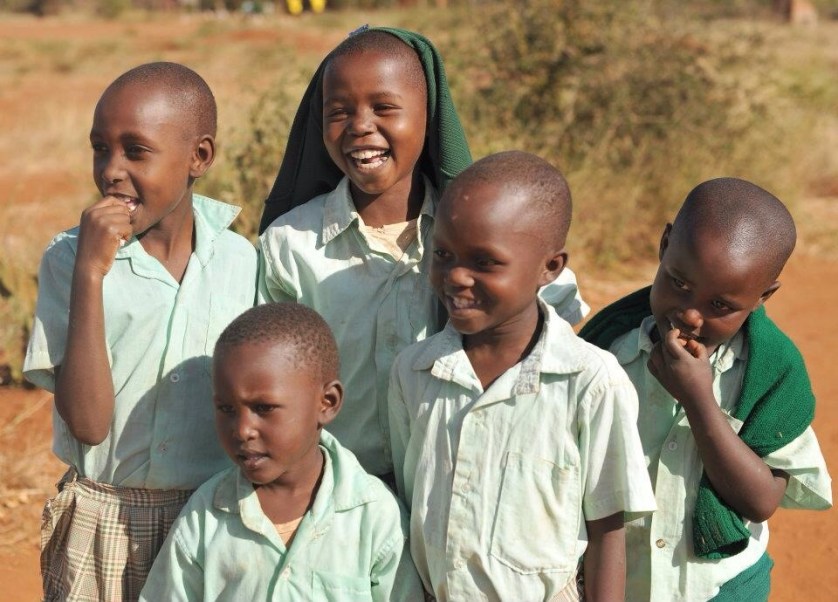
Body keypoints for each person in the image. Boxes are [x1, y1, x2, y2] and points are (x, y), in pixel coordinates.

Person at [258, 27, 589, 485]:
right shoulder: (290, 243)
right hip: (337, 494)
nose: (360, 125)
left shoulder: (486, 234)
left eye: (384, 107)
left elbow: (560, 322)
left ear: (428, 116)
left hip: (459, 489)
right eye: (338, 112)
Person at [23, 62, 258, 601]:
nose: (111, 169)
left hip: (210, 518)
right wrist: (90, 271)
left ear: (199, 157)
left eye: (136, 151)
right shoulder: (68, 260)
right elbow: (87, 422)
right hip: (100, 518)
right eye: (100, 148)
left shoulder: (240, 262)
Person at [388, 151, 656, 601]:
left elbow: (607, 531)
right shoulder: (414, 373)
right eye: (443, 254)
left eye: (484, 262)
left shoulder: (590, 382)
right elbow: (411, 498)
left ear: (550, 267)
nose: (456, 276)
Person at [579, 177, 833, 601]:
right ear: (664, 245)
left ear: (762, 296)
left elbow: (761, 501)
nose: (691, 315)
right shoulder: (605, 351)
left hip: (720, 588)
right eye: (679, 283)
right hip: (618, 585)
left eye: (720, 306)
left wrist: (698, 399)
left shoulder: (769, 375)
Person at [139, 303, 424, 601]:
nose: (242, 430)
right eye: (226, 409)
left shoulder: (373, 514)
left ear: (327, 402)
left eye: (264, 408)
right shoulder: (206, 514)